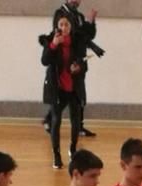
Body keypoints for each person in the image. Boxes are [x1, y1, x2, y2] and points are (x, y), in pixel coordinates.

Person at [42, 1, 102, 138]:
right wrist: (81, 31)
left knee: (79, 94)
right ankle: (50, 120)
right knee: (62, 96)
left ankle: (78, 126)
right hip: (63, 62)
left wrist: (91, 22)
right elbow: (63, 33)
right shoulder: (60, 13)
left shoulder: (79, 16)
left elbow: (88, 36)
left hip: (78, 60)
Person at [41, 14, 88, 170]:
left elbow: (84, 63)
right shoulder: (51, 41)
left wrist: (78, 67)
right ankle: (56, 154)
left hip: (74, 87)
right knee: (56, 121)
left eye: (66, 25)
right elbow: (45, 61)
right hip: (58, 88)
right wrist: (54, 44)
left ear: (71, 26)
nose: (64, 28)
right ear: (57, 26)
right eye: (61, 25)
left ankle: (73, 149)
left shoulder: (78, 42)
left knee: (75, 121)